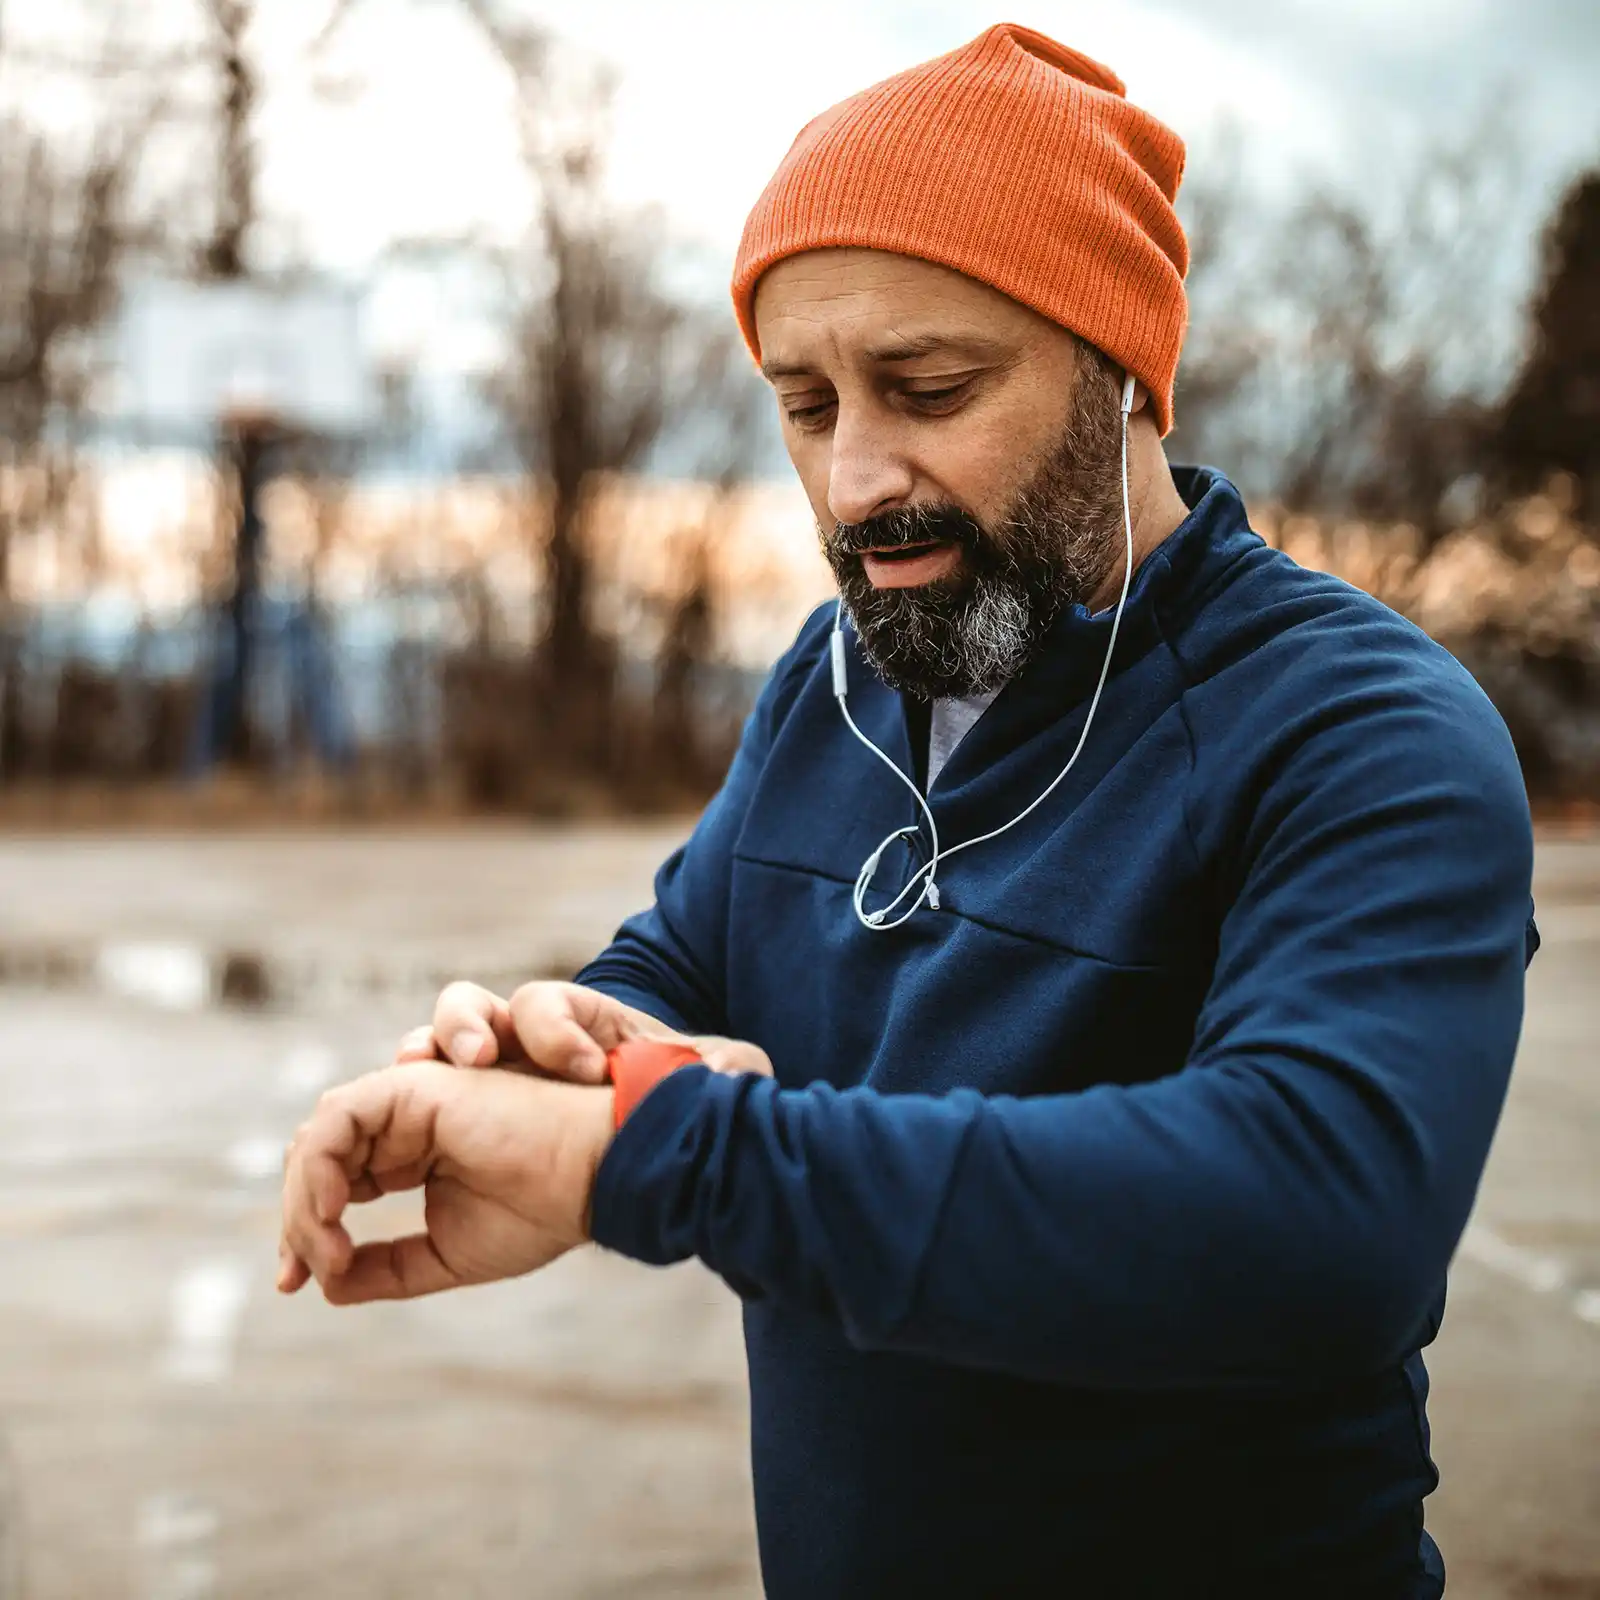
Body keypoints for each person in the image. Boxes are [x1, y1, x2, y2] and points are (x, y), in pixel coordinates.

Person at [279, 24, 1538, 1599]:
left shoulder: (1359, 728)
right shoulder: (837, 673)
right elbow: (690, 961)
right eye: (804, 406)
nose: (856, 478)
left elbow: (1317, 1228)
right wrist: (558, 1057)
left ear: (1127, 373)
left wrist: (661, 1158)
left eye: (927, 388)